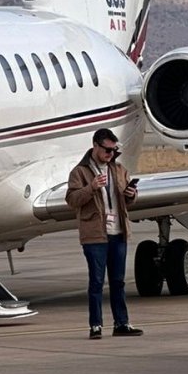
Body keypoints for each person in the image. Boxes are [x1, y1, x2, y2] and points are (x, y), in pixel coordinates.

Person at [66, 128, 143, 339]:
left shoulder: (118, 169)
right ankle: (95, 325)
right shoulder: (79, 172)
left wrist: (131, 194)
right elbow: (72, 200)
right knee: (97, 282)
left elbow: (128, 200)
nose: (110, 154)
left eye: (113, 150)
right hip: (95, 235)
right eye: (107, 150)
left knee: (118, 281)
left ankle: (122, 323)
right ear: (95, 146)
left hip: (118, 232)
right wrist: (91, 187)